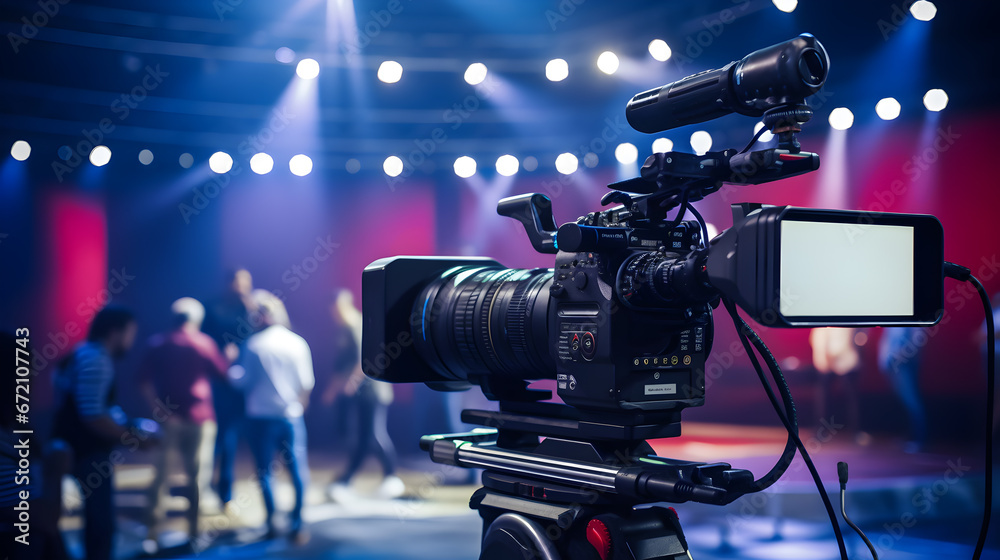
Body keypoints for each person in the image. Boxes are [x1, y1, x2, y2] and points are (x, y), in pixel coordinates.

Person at [51, 305, 151, 560]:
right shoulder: (96, 359)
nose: (131, 341)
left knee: (95, 523)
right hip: (87, 451)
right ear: (115, 332)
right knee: (101, 524)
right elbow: (92, 415)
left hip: (72, 446)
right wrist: (132, 438)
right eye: (130, 333)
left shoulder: (82, 353)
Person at [137, 297, 228, 548]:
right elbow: (223, 374)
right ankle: (194, 533)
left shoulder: (158, 343)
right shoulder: (204, 343)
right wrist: (229, 357)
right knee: (198, 477)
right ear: (196, 320)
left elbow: (142, 381)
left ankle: (151, 535)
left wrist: (157, 409)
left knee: (160, 477)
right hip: (201, 419)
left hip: (169, 421)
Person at [228, 290, 313, 541]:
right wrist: (298, 408)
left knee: (265, 472)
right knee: (298, 471)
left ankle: (271, 523)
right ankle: (297, 523)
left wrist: (230, 365)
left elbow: (242, 382)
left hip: (260, 417)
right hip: (290, 416)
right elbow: (306, 384)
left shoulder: (253, 346)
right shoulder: (298, 343)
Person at [324, 290, 404, 501]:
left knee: (374, 435)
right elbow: (341, 364)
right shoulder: (343, 329)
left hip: (373, 391)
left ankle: (390, 477)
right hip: (362, 394)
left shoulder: (355, 325)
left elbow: (364, 359)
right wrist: (333, 389)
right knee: (365, 437)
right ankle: (347, 480)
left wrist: (351, 383)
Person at [201, 268, 255, 507]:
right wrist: (220, 357)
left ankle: (225, 490)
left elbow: (256, 337)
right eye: (238, 282)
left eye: (247, 283)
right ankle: (203, 487)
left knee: (231, 435)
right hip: (215, 379)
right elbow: (203, 340)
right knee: (215, 436)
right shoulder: (211, 308)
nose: (242, 287)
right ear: (228, 283)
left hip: (239, 381)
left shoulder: (250, 309)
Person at [809, 327, 867, 444]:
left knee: (852, 398)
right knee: (823, 398)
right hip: (825, 358)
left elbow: (861, 332)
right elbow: (818, 336)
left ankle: (856, 431)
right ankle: (821, 432)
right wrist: (824, 354)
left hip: (847, 357)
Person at [878, 327, 928, 453]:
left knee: (912, 401)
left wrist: (901, 356)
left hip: (903, 363)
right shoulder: (892, 321)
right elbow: (887, 342)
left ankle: (919, 439)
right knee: (905, 401)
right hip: (894, 363)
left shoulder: (913, 321)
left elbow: (918, 338)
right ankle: (910, 436)